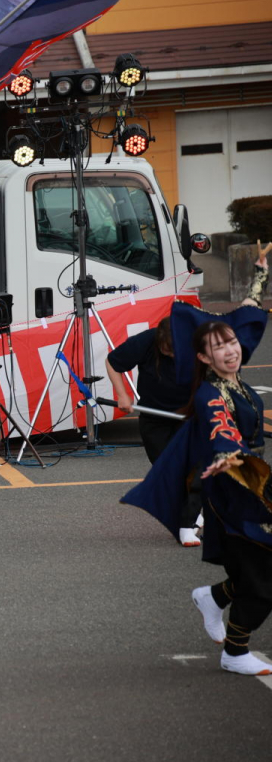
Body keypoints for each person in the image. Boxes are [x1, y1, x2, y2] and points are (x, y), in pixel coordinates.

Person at [123, 244, 272, 676]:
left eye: (231, 343)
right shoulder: (210, 395)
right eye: (219, 347)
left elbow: (246, 314)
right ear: (203, 358)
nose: (231, 350)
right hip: (235, 490)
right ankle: (236, 651)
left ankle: (214, 597)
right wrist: (232, 459)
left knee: (256, 571)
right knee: (262, 583)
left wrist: (260, 275)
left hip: (250, 482)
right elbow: (221, 432)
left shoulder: (235, 375)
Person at [105, 316, 201, 545]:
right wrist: (122, 394)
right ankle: (191, 514)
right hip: (154, 417)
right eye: (168, 352)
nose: (173, 356)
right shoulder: (147, 341)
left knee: (195, 468)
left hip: (190, 415)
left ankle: (186, 524)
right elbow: (113, 362)